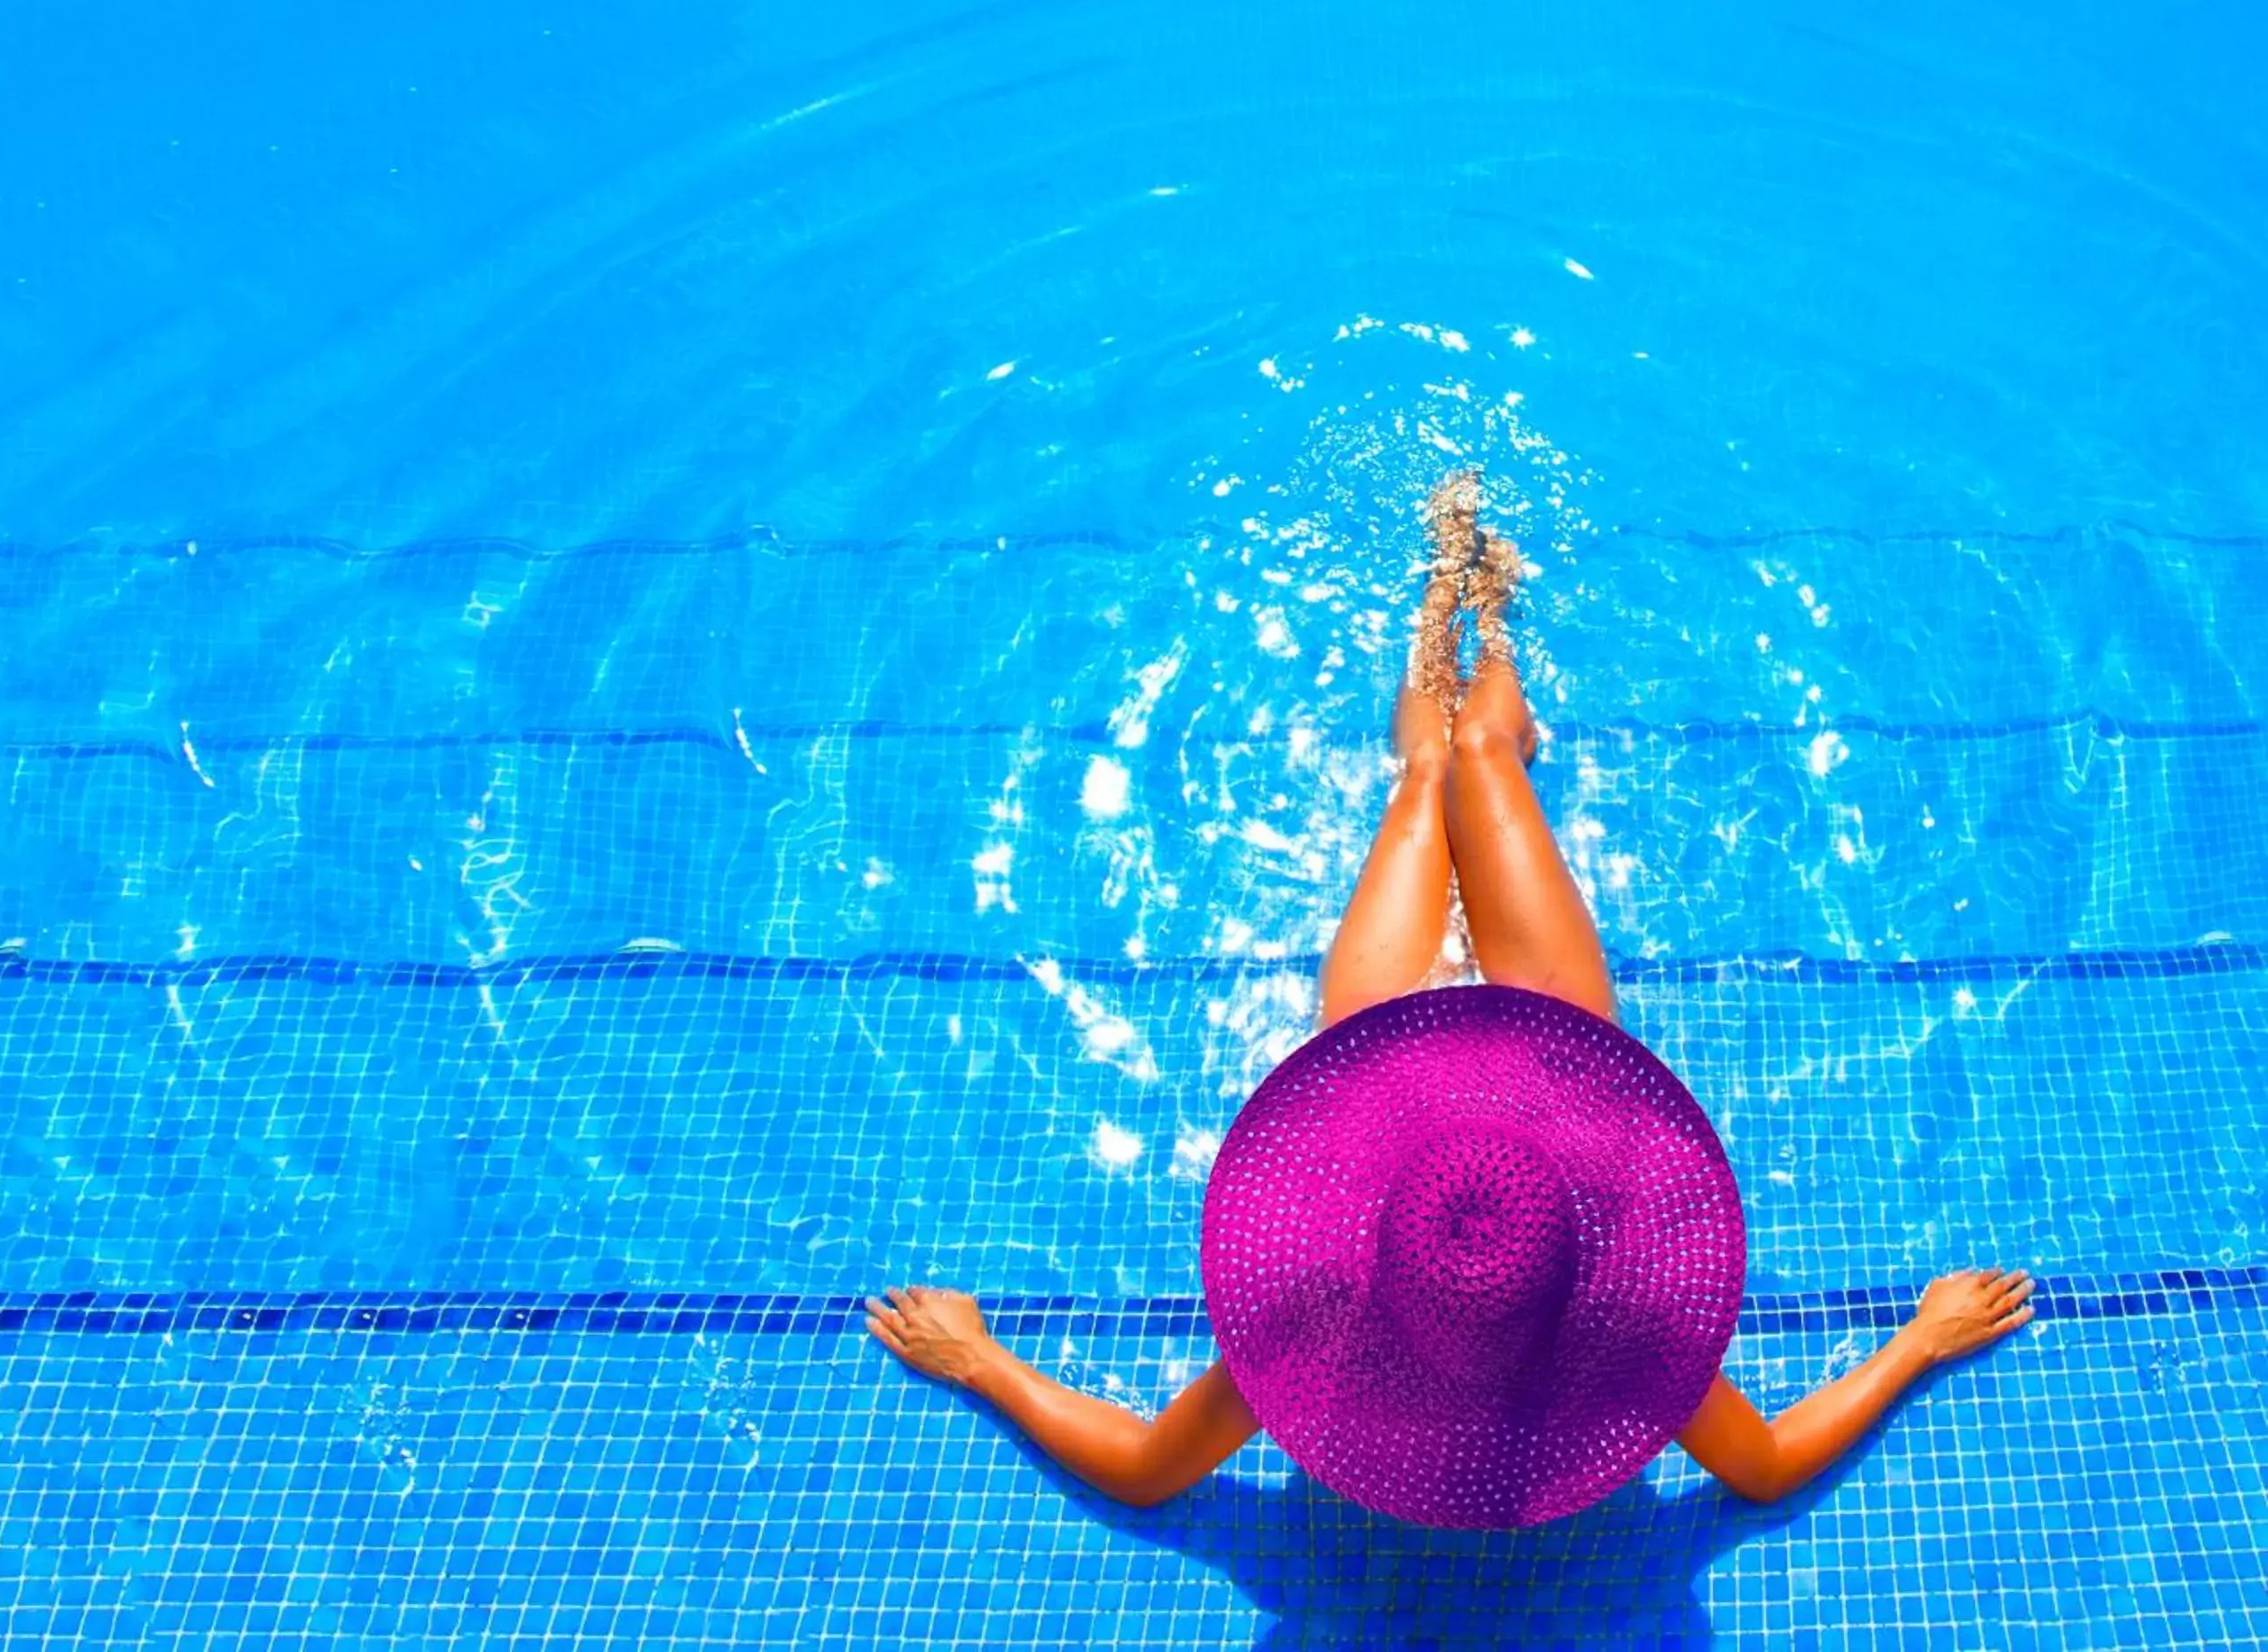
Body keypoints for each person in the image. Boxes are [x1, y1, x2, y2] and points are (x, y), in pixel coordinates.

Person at [865, 471, 2034, 1515]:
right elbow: (1766, 1466)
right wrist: (1920, 1341)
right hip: (1547, 1062)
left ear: (1384, 1252)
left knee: (1433, 770)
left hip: (1385, 1065)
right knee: (1479, 757)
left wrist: (981, 1361)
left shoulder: (1323, 1332)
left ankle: (1448, 589)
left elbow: (1147, 1471)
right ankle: (1487, 604)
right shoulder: (1615, 1337)